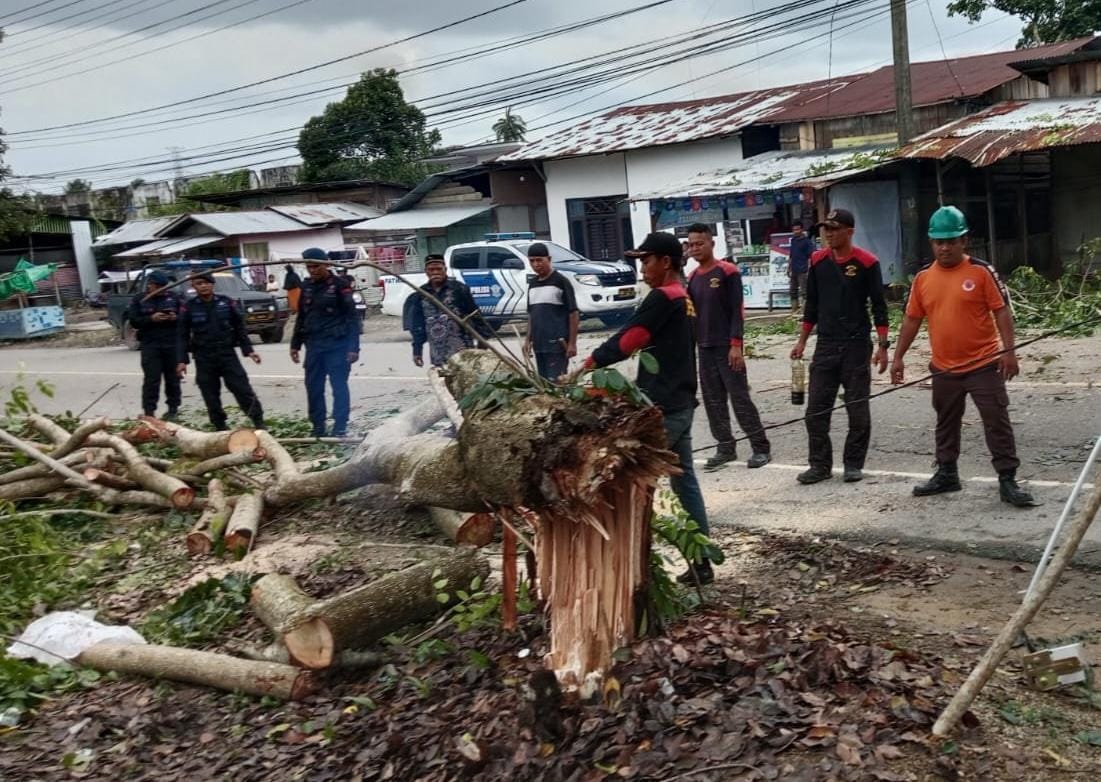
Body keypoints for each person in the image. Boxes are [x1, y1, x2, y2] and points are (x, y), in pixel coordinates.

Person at [570, 233, 714, 585]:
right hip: (680, 400)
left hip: (662, 406)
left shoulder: (664, 297)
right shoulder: (685, 296)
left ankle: (633, 567)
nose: (642, 268)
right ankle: (702, 563)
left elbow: (629, 340)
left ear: (665, 261)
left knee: (627, 479)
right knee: (685, 482)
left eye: (646, 261)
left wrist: (586, 365)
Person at [891, 206, 1036, 507]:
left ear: (964, 241)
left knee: (996, 419)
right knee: (946, 421)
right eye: (939, 241)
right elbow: (911, 320)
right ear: (931, 243)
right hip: (943, 367)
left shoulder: (982, 272)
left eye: (951, 241)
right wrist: (898, 357)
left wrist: (1009, 352)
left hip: (983, 363)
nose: (944, 247)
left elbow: (1002, 311)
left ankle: (1007, 479)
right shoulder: (922, 279)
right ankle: (946, 473)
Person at [790, 208, 889, 485]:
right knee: (815, 411)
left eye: (834, 228)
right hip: (826, 344)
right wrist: (801, 341)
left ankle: (853, 464)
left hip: (857, 345)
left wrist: (882, 346)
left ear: (850, 231)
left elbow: (879, 307)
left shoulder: (867, 263)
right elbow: (812, 306)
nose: (829, 234)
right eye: (826, 229)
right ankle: (819, 465)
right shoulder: (817, 261)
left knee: (857, 408)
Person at [685, 223, 771, 470]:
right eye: (691, 244)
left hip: (726, 346)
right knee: (713, 401)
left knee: (740, 398)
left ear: (712, 243)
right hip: (704, 347)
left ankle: (760, 447)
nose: (695, 248)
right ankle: (725, 447)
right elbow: (690, 314)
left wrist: (736, 345)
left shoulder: (727, 271)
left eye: (700, 243)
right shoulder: (692, 277)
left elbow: (737, 311)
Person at [176, 272, 265, 431]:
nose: (203, 286)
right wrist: (182, 360)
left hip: (227, 354)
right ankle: (220, 426)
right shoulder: (188, 307)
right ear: (194, 287)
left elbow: (239, 328)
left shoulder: (226, 303)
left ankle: (258, 422)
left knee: (242, 389)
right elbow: (182, 335)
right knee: (210, 394)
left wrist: (249, 351)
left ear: (212, 284)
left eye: (206, 283)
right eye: (198, 283)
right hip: (204, 356)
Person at [290, 247, 360, 438]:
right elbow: (302, 317)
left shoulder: (340, 285)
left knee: (339, 387)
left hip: (337, 346)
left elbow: (352, 318)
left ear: (327, 264)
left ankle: (340, 425)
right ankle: (318, 426)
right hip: (314, 347)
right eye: (309, 267)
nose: (313, 270)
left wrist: (354, 348)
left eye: (316, 266)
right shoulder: (306, 287)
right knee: (313, 388)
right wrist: (295, 345)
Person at [405, 254, 491, 368]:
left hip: (463, 349)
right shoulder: (420, 294)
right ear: (426, 272)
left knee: (465, 380)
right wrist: (417, 351)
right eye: (431, 269)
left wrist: (482, 339)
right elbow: (418, 326)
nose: (435, 272)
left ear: (445, 270)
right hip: (438, 353)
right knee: (445, 382)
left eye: (439, 269)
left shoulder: (459, 289)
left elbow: (475, 314)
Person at [129, 269, 182, 420]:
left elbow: (184, 319)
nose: (159, 289)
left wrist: (174, 317)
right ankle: (149, 412)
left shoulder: (174, 298)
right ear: (150, 285)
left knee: (173, 379)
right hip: (150, 345)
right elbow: (134, 321)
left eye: (162, 286)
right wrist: (151, 319)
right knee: (151, 380)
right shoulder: (140, 299)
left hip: (171, 344)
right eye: (156, 285)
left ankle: (173, 410)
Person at [524, 242, 579, 380]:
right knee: (543, 383)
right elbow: (532, 314)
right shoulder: (532, 284)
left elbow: (573, 314)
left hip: (557, 345)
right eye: (532, 261)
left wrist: (572, 343)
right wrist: (528, 340)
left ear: (548, 259)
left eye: (539, 260)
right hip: (539, 344)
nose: (536, 264)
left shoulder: (561, 281)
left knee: (557, 382)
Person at [788, 221, 815, 310]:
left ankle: (805, 312)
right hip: (794, 269)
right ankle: (794, 311)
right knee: (792, 291)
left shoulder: (807, 242)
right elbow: (791, 255)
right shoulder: (793, 240)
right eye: (794, 230)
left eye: (798, 229)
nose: (796, 231)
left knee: (804, 292)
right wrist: (789, 268)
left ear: (802, 229)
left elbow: (811, 256)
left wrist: (808, 269)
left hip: (803, 270)